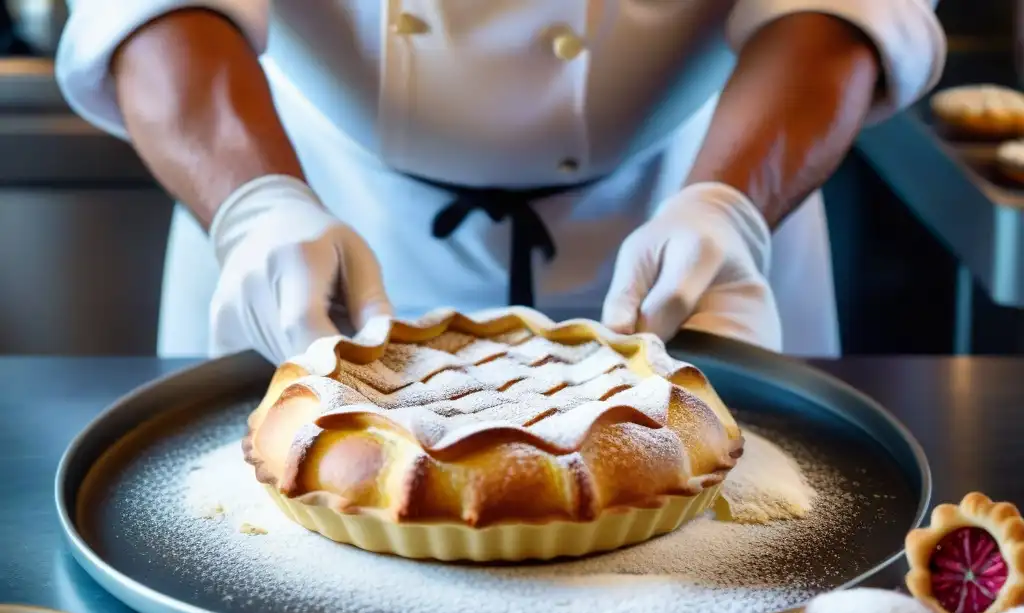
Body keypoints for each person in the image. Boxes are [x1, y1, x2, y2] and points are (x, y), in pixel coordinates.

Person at [55, 1, 945, 364]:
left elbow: (846, 8)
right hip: (309, 211)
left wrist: (728, 207)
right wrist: (256, 207)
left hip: (701, 210)